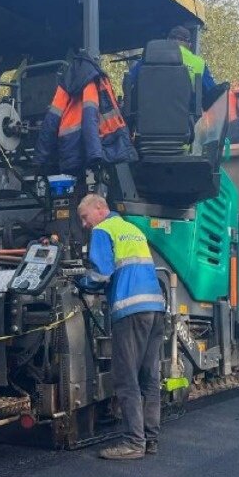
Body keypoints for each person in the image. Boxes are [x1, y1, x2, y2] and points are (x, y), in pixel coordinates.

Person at [76, 194, 166, 460]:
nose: (84, 224)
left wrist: (81, 283)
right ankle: (150, 440)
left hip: (130, 310)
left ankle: (133, 443)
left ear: (100, 209)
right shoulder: (132, 229)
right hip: (154, 308)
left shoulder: (104, 230)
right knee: (148, 378)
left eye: (85, 217)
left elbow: (100, 274)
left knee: (125, 378)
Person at [128, 25, 218, 96]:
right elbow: (212, 94)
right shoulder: (199, 63)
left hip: (144, 114)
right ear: (189, 45)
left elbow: (129, 82)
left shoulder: (149, 56)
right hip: (186, 117)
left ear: (167, 40)